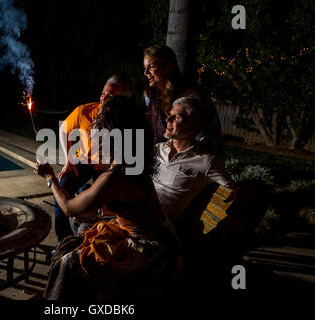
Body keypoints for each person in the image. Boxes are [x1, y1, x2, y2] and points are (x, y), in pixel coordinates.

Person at [35, 96, 179, 300]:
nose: (93, 130)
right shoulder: (134, 162)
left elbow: (68, 207)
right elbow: (133, 206)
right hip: (158, 233)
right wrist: (98, 213)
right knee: (76, 242)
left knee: (68, 262)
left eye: (99, 124)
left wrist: (50, 178)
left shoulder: (115, 176)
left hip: (151, 247)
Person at [54, 75, 134, 242]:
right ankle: (63, 240)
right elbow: (63, 129)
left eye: (110, 96)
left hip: (108, 166)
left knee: (107, 201)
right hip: (83, 161)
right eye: (103, 93)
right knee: (62, 188)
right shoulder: (85, 111)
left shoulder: (126, 121)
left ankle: (98, 236)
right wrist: (68, 159)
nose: (103, 97)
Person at [152, 97, 235, 232]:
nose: (168, 120)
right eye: (169, 115)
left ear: (193, 126)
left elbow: (234, 189)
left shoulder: (205, 161)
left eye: (176, 117)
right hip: (137, 214)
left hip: (160, 229)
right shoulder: (157, 149)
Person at [143, 45, 224, 158]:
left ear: (168, 66)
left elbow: (205, 135)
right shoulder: (150, 97)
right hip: (162, 158)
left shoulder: (191, 96)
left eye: (151, 67)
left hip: (193, 158)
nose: (146, 73)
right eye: (145, 68)